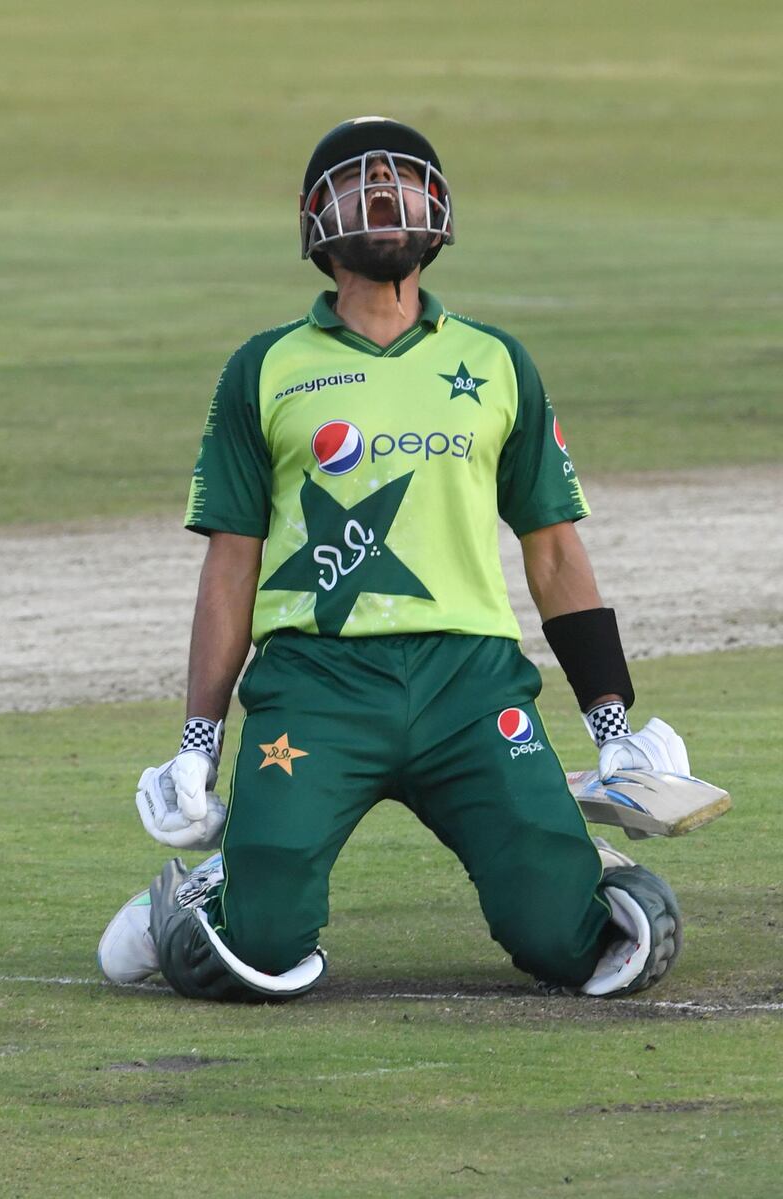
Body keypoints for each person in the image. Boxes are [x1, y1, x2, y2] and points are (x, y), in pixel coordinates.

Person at [99, 117, 689, 1001]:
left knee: (586, 946)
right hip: (314, 685)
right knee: (260, 951)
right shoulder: (262, 368)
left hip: (472, 683)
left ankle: (562, 851)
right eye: (359, 186)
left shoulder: (495, 362)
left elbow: (556, 550)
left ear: (439, 213)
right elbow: (229, 566)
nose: (385, 199)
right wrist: (196, 746)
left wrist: (613, 730)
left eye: (404, 185)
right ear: (313, 222)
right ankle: (219, 886)